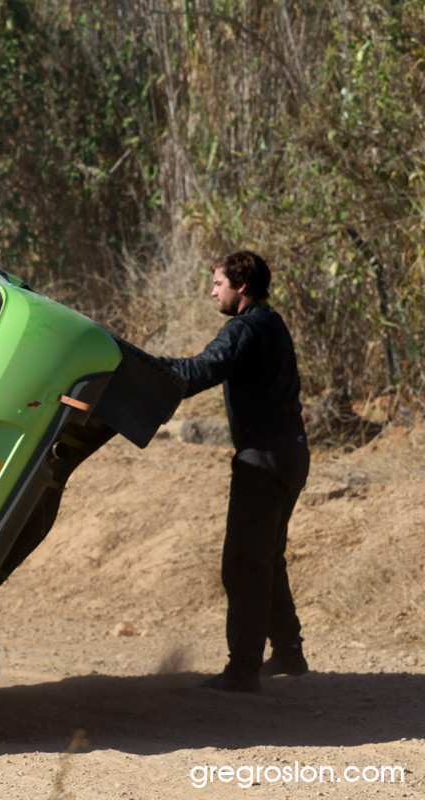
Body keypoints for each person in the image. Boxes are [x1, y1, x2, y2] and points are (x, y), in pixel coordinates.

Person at [156, 250, 311, 693]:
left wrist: (139, 365)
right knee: (267, 559)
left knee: (244, 563)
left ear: (241, 285)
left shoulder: (244, 328)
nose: (212, 290)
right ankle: (288, 655)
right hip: (290, 454)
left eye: (217, 282)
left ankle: (243, 670)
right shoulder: (271, 322)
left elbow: (198, 371)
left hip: (263, 460)